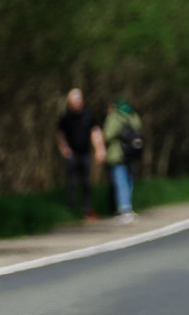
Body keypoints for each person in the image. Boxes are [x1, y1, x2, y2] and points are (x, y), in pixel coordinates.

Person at [55, 88, 103, 219]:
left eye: (78, 100)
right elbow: (60, 134)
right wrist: (64, 149)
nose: (76, 103)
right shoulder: (65, 118)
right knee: (71, 182)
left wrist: (99, 149)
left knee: (87, 182)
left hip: (85, 154)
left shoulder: (88, 116)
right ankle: (70, 210)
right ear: (69, 102)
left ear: (82, 101)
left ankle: (87, 209)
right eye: (73, 101)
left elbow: (96, 132)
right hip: (72, 155)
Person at [102, 99, 145, 223]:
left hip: (118, 153)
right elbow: (139, 129)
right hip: (131, 152)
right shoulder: (133, 115)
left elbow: (108, 134)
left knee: (120, 180)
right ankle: (128, 207)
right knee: (129, 180)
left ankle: (124, 209)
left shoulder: (115, 116)